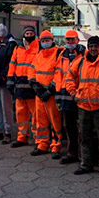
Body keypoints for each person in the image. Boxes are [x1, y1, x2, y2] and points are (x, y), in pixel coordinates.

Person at [67, 35, 99, 179]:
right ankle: (86, 164)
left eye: (96, 46)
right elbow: (69, 77)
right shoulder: (80, 62)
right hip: (83, 106)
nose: (93, 49)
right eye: (91, 46)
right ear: (88, 47)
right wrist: (73, 92)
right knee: (84, 137)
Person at [28, 30, 63, 158]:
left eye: (47, 40)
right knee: (40, 121)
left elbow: (59, 73)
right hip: (40, 94)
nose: (45, 43)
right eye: (43, 41)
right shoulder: (39, 54)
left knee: (55, 121)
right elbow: (31, 70)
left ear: (52, 40)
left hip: (51, 94)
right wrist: (35, 86)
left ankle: (56, 146)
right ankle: (42, 144)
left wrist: (50, 90)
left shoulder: (58, 53)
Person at [54, 30, 86, 164]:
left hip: (80, 96)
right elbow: (58, 76)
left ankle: (83, 156)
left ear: (78, 40)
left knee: (82, 128)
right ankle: (72, 153)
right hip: (66, 96)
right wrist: (58, 95)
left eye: (72, 40)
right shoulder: (62, 55)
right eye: (68, 40)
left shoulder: (85, 54)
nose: (69, 42)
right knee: (70, 127)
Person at [7, 26, 40, 148]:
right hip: (20, 87)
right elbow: (12, 64)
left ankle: (39, 140)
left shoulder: (39, 47)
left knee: (35, 115)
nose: (29, 34)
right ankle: (22, 137)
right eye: (27, 33)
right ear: (24, 34)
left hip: (32, 87)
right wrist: (10, 79)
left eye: (31, 33)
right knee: (21, 114)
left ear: (35, 34)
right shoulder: (18, 48)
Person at [0, 23, 18, 144]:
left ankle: (7, 132)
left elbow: (10, 63)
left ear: (0, 36)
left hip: (3, 81)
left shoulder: (10, 46)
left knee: (6, 107)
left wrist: (3, 75)